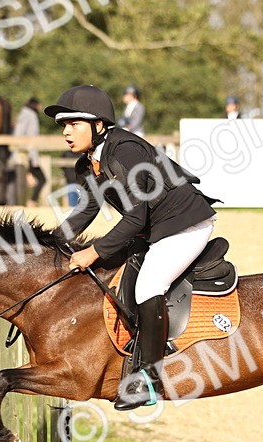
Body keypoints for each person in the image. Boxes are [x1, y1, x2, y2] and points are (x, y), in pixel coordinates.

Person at [45, 85, 219, 411]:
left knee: (150, 284)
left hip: (185, 224)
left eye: (75, 124)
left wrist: (93, 251)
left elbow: (136, 216)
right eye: (63, 126)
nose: (67, 132)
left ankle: (149, 380)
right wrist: (50, 246)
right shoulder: (89, 163)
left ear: (99, 126)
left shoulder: (125, 151)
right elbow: (86, 211)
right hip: (155, 227)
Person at [12, 97, 47, 206]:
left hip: (18, 153)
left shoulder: (21, 115)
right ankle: (32, 201)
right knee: (42, 179)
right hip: (28, 154)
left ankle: (27, 201)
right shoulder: (31, 116)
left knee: (20, 181)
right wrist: (34, 158)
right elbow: (32, 138)